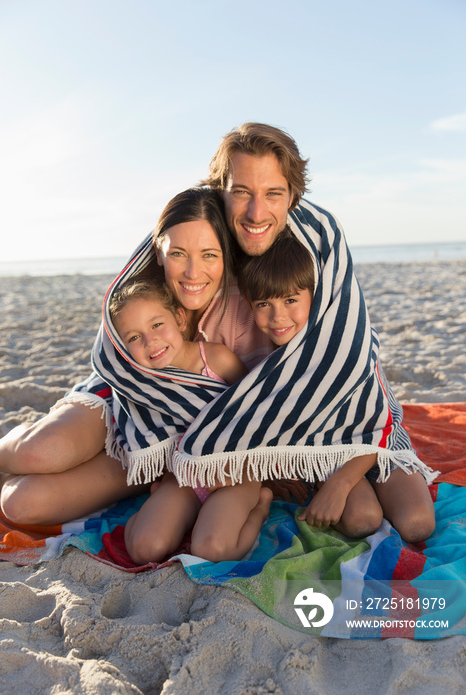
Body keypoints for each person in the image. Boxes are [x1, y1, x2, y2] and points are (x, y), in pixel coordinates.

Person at [1, 123, 435, 548]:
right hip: (146, 398)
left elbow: (339, 357)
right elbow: (127, 312)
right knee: (43, 455)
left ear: (293, 196)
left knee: (22, 504)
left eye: (273, 194)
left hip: (210, 434)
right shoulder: (198, 229)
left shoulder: (306, 254)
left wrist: (258, 457)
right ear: (219, 191)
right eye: (241, 192)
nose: (255, 213)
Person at [237, 230, 435, 541]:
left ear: (314, 297)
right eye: (264, 304)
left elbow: (379, 425)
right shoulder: (266, 357)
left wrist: (341, 485)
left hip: (378, 445)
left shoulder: (348, 341)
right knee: (362, 520)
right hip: (325, 450)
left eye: (291, 300)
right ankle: (337, 487)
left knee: (418, 524)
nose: (278, 316)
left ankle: (352, 485)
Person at [108, 275, 268, 564]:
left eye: (157, 324)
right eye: (133, 337)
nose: (150, 340)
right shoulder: (141, 385)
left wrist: (242, 466)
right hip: (183, 477)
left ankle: (260, 507)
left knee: (211, 550)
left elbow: (254, 409)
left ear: (180, 319)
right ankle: (166, 511)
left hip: (234, 474)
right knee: (144, 549)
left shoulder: (216, 360)